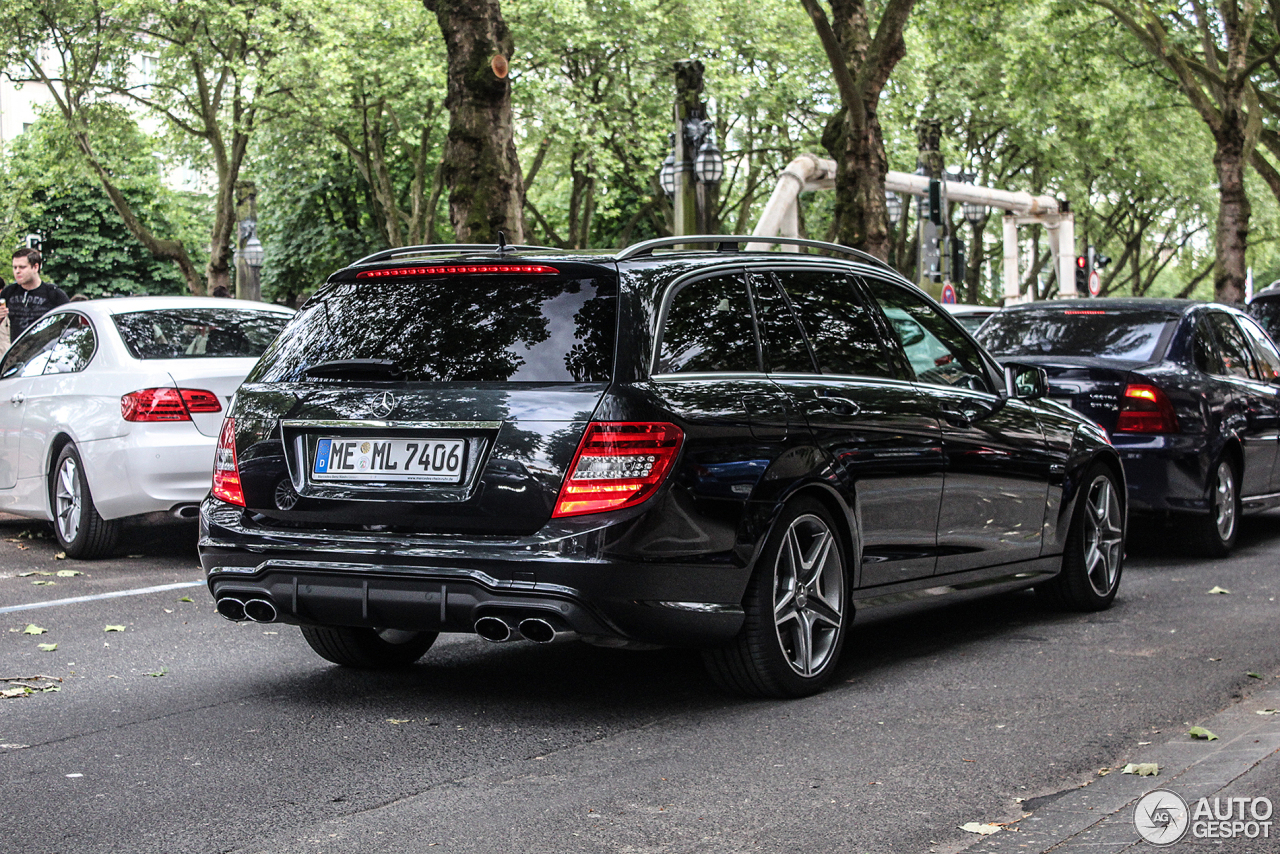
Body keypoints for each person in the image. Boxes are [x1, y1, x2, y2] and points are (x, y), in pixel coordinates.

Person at [0, 248, 70, 340]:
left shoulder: (54, 294)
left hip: (45, 351)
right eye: (15, 267)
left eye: (22, 267)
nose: (17, 271)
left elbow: (72, 325)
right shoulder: (9, 292)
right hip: (17, 352)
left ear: (35, 267)